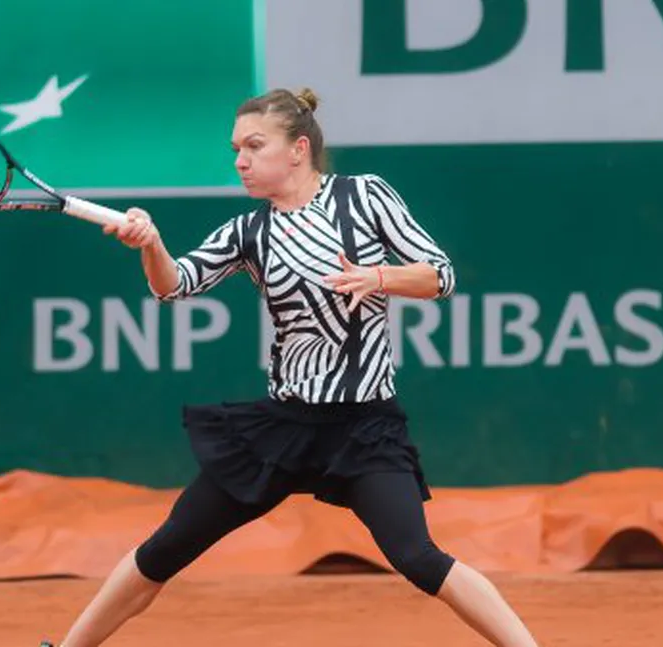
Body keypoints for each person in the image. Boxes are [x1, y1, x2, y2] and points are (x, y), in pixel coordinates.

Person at [41, 88, 542, 647]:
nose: (240, 161)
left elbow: (440, 275)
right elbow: (174, 285)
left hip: (364, 430)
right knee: (166, 548)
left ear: (299, 149)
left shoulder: (365, 197)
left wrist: (377, 277)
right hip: (282, 429)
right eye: (235, 149)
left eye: (255, 146)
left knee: (418, 557)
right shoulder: (247, 233)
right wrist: (151, 244)